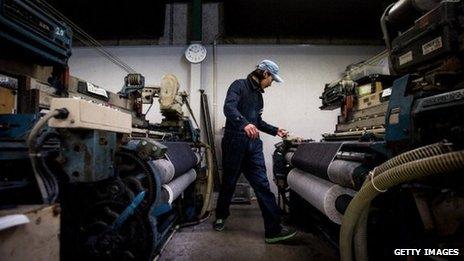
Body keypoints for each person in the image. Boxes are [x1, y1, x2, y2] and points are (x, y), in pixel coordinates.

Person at [213, 59, 297, 244]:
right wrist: (244, 124)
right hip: (234, 143)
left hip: (253, 145)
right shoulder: (239, 85)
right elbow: (229, 108)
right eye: (272, 80)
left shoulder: (259, 96)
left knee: (262, 185)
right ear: (265, 74)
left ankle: (273, 230)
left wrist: (276, 130)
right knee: (229, 183)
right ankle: (220, 216)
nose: (271, 83)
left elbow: (257, 123)